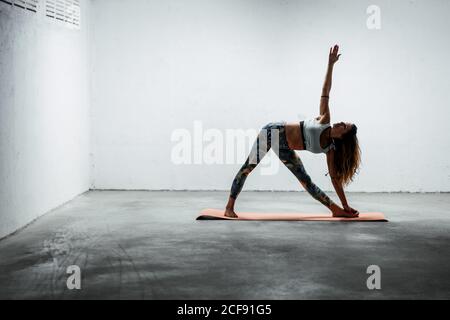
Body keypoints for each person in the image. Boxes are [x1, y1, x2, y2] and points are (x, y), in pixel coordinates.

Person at [224, 45, 361, 218]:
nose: (340, 122)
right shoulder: (325, 119)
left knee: (306, 181)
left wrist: (345, 205)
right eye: (343, 122)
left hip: (285, 149)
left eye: (344, 126)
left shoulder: (330, 150)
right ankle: (229, 207)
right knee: (248, 167)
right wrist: (331, 64)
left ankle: (336, 210)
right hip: (272, 132)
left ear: (342, 136)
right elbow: (325, 91)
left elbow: (335, 179)